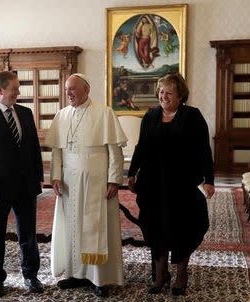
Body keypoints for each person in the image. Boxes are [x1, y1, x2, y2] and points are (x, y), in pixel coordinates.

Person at [127, 73, 215, 296]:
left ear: (180, 95)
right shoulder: (150, 116)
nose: (163, 96)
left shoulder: (192, 116)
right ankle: (160, 274)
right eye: (161, 92)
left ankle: (181, 274)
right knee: (155, 228)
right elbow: (141, 147)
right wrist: (132, 173)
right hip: (152, 185)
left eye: (169, 92)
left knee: (183, 228)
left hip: (181, 185)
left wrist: (209, 180)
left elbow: (204, 149)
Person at [45, 73, 127, 297]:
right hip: (70, 183)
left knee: (96, 227)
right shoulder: (61, 116)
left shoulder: (104, 112)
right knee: (72, 227)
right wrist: (55, 177)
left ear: (86, 90)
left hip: (97, 182)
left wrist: (113, 179)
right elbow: (57, 152)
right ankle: (74, 274)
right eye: (66, 89)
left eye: (72, 89)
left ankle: (99, 278)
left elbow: (114, 152)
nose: (68, 93)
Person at [0, 71, 44, 298]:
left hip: (25, 187)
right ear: (0, 91)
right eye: (15, 88)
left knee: (28, 235)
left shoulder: (25, 113)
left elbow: (33, 148)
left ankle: (30, 275)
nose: (19, 92)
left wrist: (38, 176)